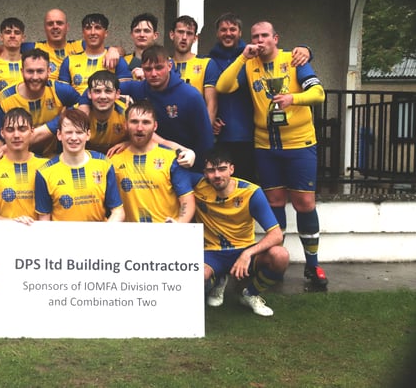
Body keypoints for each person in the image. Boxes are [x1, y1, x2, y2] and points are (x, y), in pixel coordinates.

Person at [215, 20, 328, 288]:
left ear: (275, 38)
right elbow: (223, 86)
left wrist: (293, 99)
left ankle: (313, 266)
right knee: (275, 202)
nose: (260, 40)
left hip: (299, 144)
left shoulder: (295, 59)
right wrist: (243, 57)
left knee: (304, 205)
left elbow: (319, 93)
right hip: (266, 146)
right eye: (255, 36)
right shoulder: (250, 64)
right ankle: (279, 258)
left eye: (265, 35)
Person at [206, 12, 311, 183]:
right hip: (223, 133)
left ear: (240, 33)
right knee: (224, 183)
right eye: (223, 30)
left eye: (233, 29)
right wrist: (212, 118)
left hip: (252, 133)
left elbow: (278, 58)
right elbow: (216, 91)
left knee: (250, 184)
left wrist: (306, 50)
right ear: (217, 33)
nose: (228, 33)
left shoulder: (254, 59)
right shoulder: (209, 61)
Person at [192, 147, 289, 316]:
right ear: (204, 173)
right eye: (211, 170)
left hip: (244, 249)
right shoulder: (198, 186)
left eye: (222, 169)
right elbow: (170, 171)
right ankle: (218, 281)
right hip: (212, 252)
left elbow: (276, 234)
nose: (217, 175)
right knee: (196, 279)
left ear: (232, 169)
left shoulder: (251, 192)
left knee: (281, 256)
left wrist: (247, 254)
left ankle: (250, 293)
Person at [85, 44, 212, 171]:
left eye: (159, 68)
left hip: (185, 163)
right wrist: (83, 107)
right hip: (152, 164)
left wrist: (201, 170)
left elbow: (205, 140)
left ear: (169, 66)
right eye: (148, 69)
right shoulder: (137, 88)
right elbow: (98, 88)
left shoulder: (191, 96)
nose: (154, 74)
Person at [0, 8, 120, 83]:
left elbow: (103, 49)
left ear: (67, 27)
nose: (55, 27)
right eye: (50, 24)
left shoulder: (79, 46)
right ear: (45, 28)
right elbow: (2, 47)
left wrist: (114, 50)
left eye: (59, 23)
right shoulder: (34, 48)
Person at [110, 99, 194, 223]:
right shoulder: (113, 160)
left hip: (165, 233)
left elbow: (187, 200)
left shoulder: (172, 159)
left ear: (155, 126)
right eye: (134, 122)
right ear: (126, 125)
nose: (139, 128)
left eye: (146, 122)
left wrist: (178, 226)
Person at [35, 108, 124, 222]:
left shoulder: (104, 164)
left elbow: (118, 211)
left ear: (88, 135)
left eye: (79, 132)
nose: (74, 138)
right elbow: (44, 219)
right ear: (59, 135)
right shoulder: (44, 172)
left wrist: (102, 236)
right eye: (68, 132)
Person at [0, 48, 80, 157]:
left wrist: (56, 123)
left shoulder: (59, 90)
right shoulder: (6, 98)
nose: (35, 77)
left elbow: (83, 106)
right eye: (30, 71)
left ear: (49, 71)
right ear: (22, 71)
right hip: (19, 158)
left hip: (55, 157)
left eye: (40, 71)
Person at [0, 108, 48, 224]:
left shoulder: (46, 166)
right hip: (3, 235)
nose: (16, 135)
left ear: (32, 131)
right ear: (2, 133)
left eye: (22, 129)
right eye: (10, 130)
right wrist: (14, 224)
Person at [58, 13, 132, 94]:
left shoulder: (117, 60)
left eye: (98, 28)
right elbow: (63, 95)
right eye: (88, 28)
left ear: (106, 33)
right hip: (77, 106)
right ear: (83, 33)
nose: (93, 32)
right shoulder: (69, 61)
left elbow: (125, 93)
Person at [169, 15, 217, 124]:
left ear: (195, 38)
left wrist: (206, 134)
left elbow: (212, 104)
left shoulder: (206, 63)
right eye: (180, 32)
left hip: (196, 128)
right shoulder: (164, 64)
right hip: (169, 130)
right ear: (172, 35)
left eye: (189, 33)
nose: (184, 37)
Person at [85, 70, 128, 154]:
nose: (103, 96)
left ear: (117, 94)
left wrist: (129, 143)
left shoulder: (127, 114)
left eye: (108, 91)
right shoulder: (79, 113)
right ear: (89, 93)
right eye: (97, 91)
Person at [124, 12, 159, 79]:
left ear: (155, 35)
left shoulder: (165, 61)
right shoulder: (123, 62)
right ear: (131, 35)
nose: (142, 35)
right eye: (137, 31)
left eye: (146, 31)